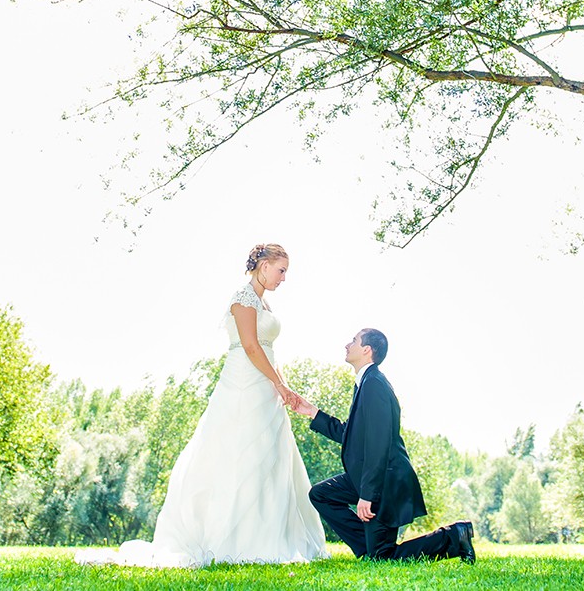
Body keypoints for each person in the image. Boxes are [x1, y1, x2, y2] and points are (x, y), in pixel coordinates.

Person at [75, 243, 329, 568]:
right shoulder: (243, 300)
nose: (283, 278)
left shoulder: (263, 301)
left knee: (270, 456)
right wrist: (276, 383)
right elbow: (251, 346)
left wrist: (284, 387)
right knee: (239, 451)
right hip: (243, 384)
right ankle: (232, 536)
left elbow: (268, 349)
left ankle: (271, 534)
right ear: (263, 265)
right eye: (281, 270)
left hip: (266, 386)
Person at [289, 329, 475, 563]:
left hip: (385, 483)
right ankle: (368, 549)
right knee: (321, 495)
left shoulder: (374, 384)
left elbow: (379, 444)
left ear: (367, 350)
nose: (348, 345)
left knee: (384, 557)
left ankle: (454, 537)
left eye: (354, 341)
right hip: (367, 476)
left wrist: (368, 495)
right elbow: (354, 435)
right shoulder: (366, 383)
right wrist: (313, 413)